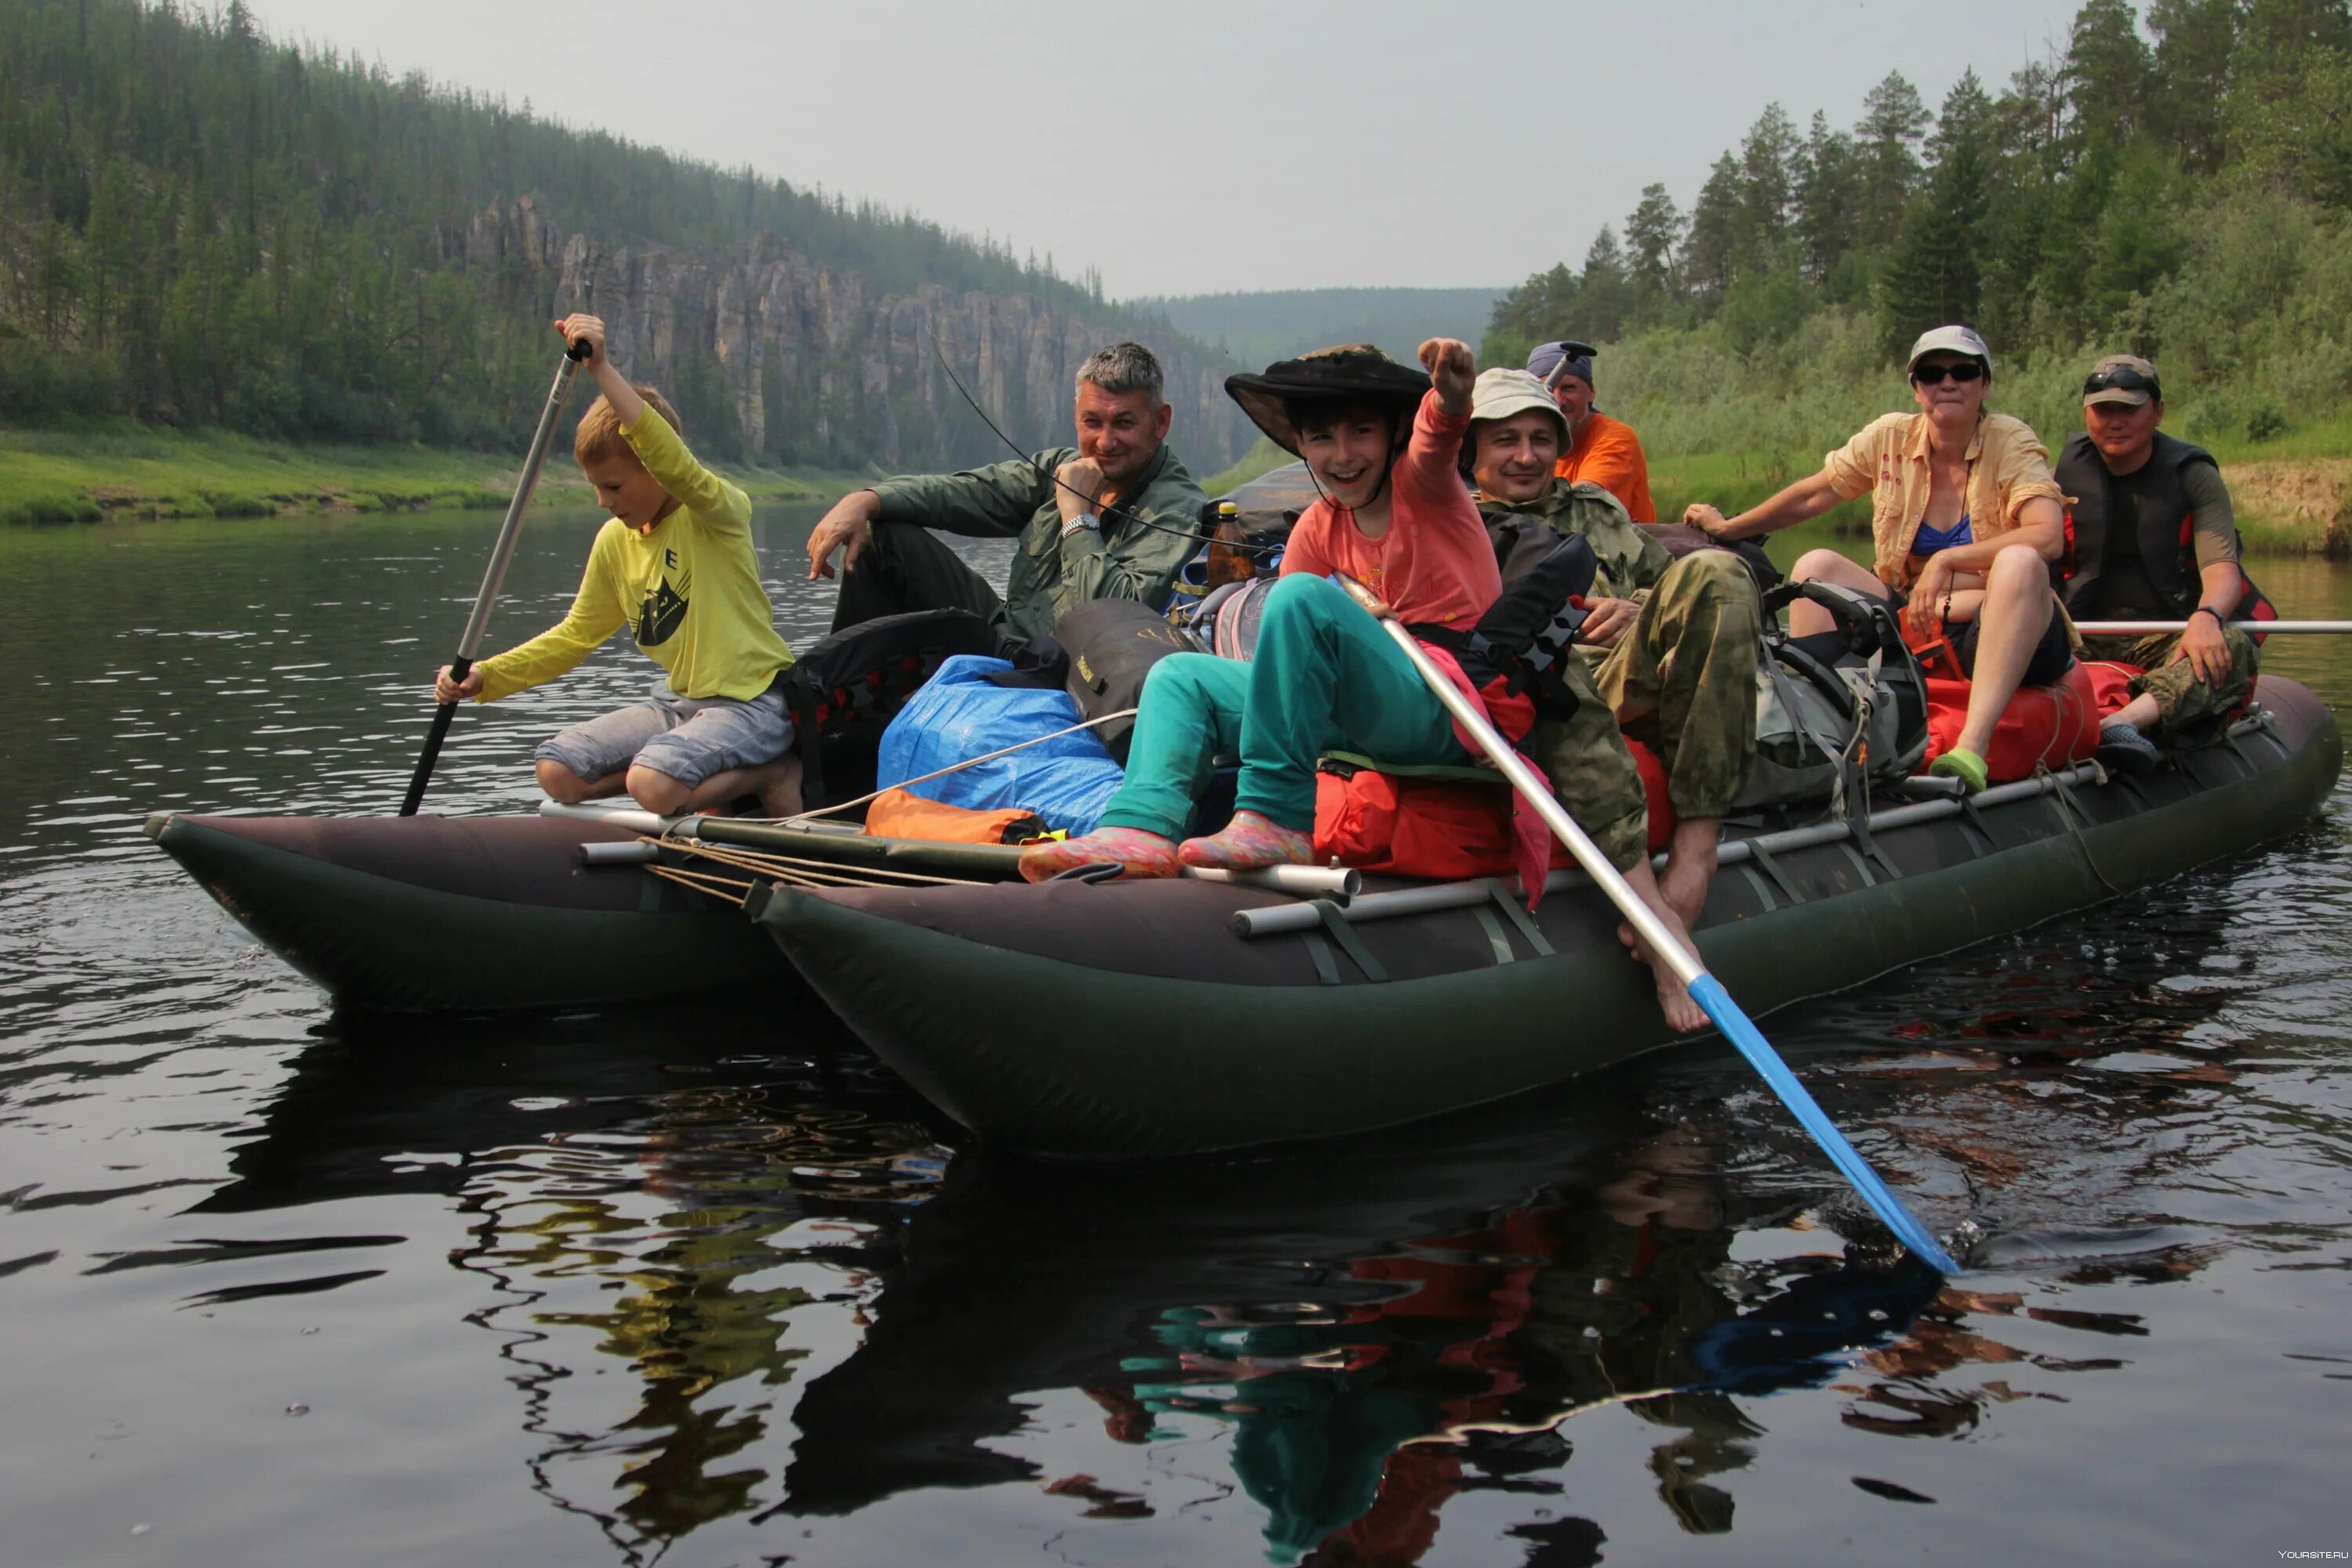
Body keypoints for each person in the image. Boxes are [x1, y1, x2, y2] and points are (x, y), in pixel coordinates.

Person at [1019, 340, 1706, 1033]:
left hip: (1452, 706)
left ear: (1392, 435)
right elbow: (1288, 661)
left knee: (1299, 602)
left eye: (1361, 431)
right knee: (1179, 675)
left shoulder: (1424, 485)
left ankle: (1275, 818)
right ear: (1302, 448)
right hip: (1362, 711)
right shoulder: (1318, 528)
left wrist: (1454, 394)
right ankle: (1140, 827)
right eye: (1321, 436)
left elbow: (1440, 436)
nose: (1342, 453)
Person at [434, 314, 802, 816]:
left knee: (651, 782)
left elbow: (675, 462)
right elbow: (574, 636)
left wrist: (602, 370)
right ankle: (688, 783)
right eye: (595, 487)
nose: (604, 502)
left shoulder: (716, 513)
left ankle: (770, 773)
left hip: (752, 705)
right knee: (557, 770)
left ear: (656, 469)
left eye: (613, 486)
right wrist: (486, 677)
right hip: (678, 706)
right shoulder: (615, 540)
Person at [1686, 325, 2071, 795]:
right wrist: (1730, 528)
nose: (1947, 383)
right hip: (1919, 619)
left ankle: (1972, 747)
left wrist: (1948, 559)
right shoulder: (1890, 436)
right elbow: (1814, 494)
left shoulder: (2010, 440)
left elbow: (2047, 535)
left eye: (1963, 372)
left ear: (1984, 385)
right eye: (1932, 373)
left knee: (2020, 561)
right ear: (1916, 387)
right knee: (1815, 567)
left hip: (1998, 622)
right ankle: (1820, 733)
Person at [1467, 368, 1759, 927]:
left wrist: (1637, 609)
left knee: (1720, 574)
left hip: (1637, 670)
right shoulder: (1462, 530)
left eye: (1541, 440)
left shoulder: (1596, 509)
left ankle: (1698, 851)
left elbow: (1676, 584)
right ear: (1472, 451)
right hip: (1556, 692)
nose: (1526, 457)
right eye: (1506, 440)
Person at [802, 341, 1207, 647]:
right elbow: (964, 492)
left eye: (1123, 423)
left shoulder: (1176, 507)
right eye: (1092, 422)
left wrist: (1077, 517)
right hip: (1004, 634)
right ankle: (835, 693)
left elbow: (1114, 616)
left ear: (1161, 421)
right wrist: (865, 499)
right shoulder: (1058, 467)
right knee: (884, 537)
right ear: (1075, 416)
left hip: (1066, 669)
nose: (1104, 441)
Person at [2055, 354, 2261, 768]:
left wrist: (2207, 616)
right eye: (2103, 409)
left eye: (2129, 409)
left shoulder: (2194, 475)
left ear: (2158, 411)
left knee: (2236, 645)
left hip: (2168, 634)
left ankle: (2124, 721)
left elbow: (2222, 569)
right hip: (2081, 633)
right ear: (2087, 413)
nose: (2115, 421)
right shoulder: (2059, 472)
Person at [1526, 339, 1657, 522]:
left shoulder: (1617, 438)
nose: (1558, 400)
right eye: (1548, 389)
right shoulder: (1527, 447)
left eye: (1569, 388)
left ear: (1591, 393)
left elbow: (1581, 501)